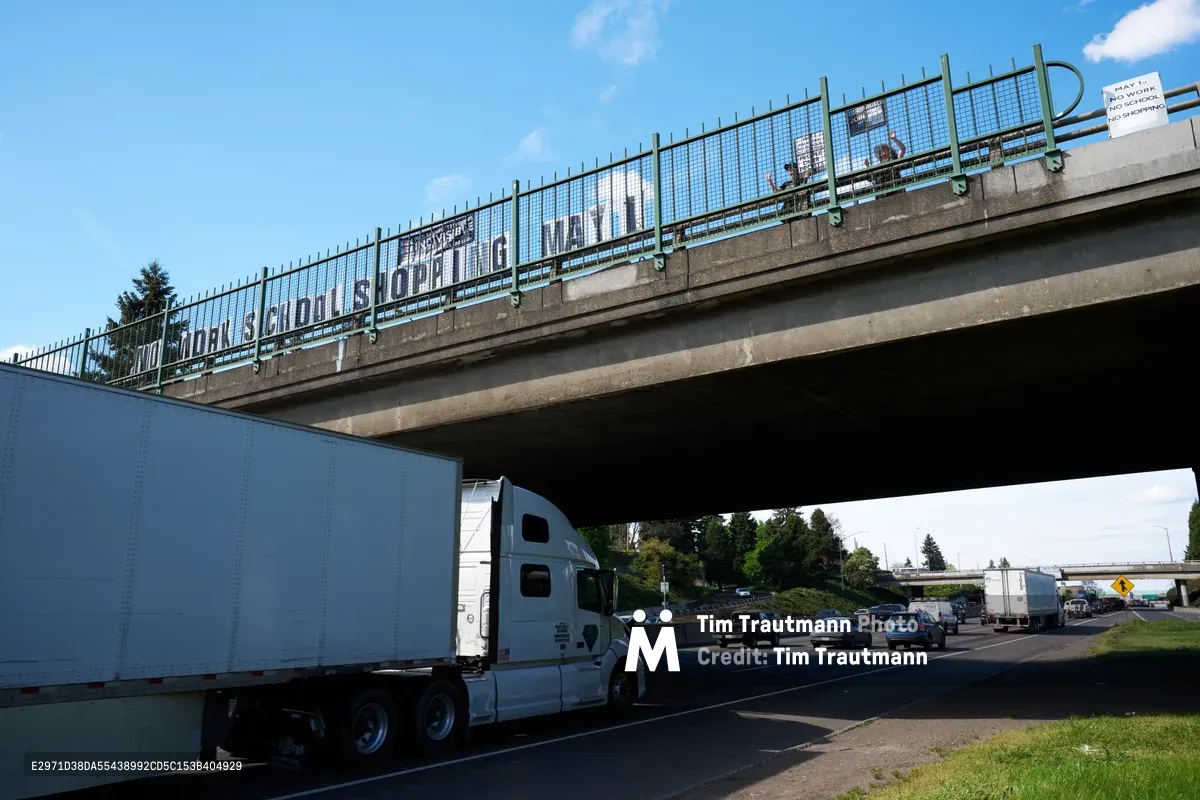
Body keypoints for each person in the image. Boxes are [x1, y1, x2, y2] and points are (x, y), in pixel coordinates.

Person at [862, 130, 907, 197]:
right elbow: (870, 178)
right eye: (881, 149)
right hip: (881, 190)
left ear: (889, 151)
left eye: (885, 148)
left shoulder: (895, 159)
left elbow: (903, 149)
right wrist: (868, 166)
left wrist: (894, 138)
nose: (883, 149)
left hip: (896, 187)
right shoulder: (877, 167)